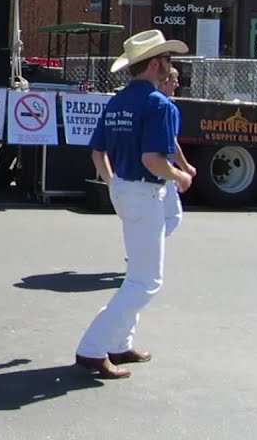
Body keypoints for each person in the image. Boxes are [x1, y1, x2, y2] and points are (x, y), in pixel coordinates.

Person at [75, 29, 191, 380]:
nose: (169, 68)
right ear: (156, 64)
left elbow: (98, 151)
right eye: (167, 62)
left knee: (138, 273)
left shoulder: (118, 100)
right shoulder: (159, 104)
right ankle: (92, 347)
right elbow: (154, 159)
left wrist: (114, 183)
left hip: (123, 188)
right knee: (146, 281)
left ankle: (120, 343)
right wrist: (181, 177)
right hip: (144, 190)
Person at [158, 66, 196, 236]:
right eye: (174, 81)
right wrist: (186, 168)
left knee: (152, 215)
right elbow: (171, 142)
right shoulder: (168, 107)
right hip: (162, 168)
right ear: (164, 82)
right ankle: (149, 248)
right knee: (173, 215)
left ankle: (141, 250)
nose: (177, 84)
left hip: (148, 169)